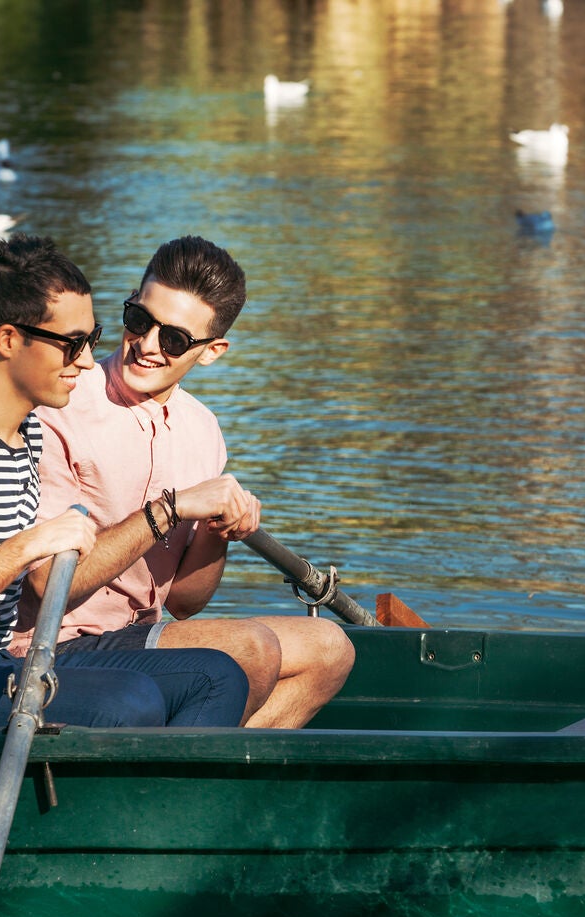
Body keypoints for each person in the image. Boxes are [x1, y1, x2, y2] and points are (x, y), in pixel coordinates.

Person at [0, 233, 248, 730]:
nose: (89, 362)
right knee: (130, 699)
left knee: (217, 676)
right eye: (72, 345)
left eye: (92, 340)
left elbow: (184, 600)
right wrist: (28, 547)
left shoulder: (25, 432)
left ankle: (163, 808)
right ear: (9, 340)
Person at [18, 235, 355, 727]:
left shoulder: (204, 431)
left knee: (330, 648)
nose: (147, 346)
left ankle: (213, 777)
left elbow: (183, 602)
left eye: (173, 339)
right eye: (139, 320)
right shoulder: (62, 401)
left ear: (213, 351)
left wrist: (220, 534)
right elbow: (49, 585)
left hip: (138, 638)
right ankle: (181, 784)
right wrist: (171, 509)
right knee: (252, 649)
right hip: (47, 644)